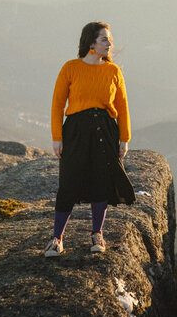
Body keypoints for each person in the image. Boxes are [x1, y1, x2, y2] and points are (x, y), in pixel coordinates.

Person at [46, 21, 135, 257]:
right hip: (75, 130)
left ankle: (97, 234)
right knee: (68, 183)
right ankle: (57, 238)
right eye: (105, 39)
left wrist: (124, 138)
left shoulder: (113, 71)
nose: (110, 44)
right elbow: (57, 105)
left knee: (101, 180)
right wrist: (57, 137)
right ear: (91, 43)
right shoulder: (70, 68)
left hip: (105, 130)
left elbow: (122, 106)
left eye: (110, 39)